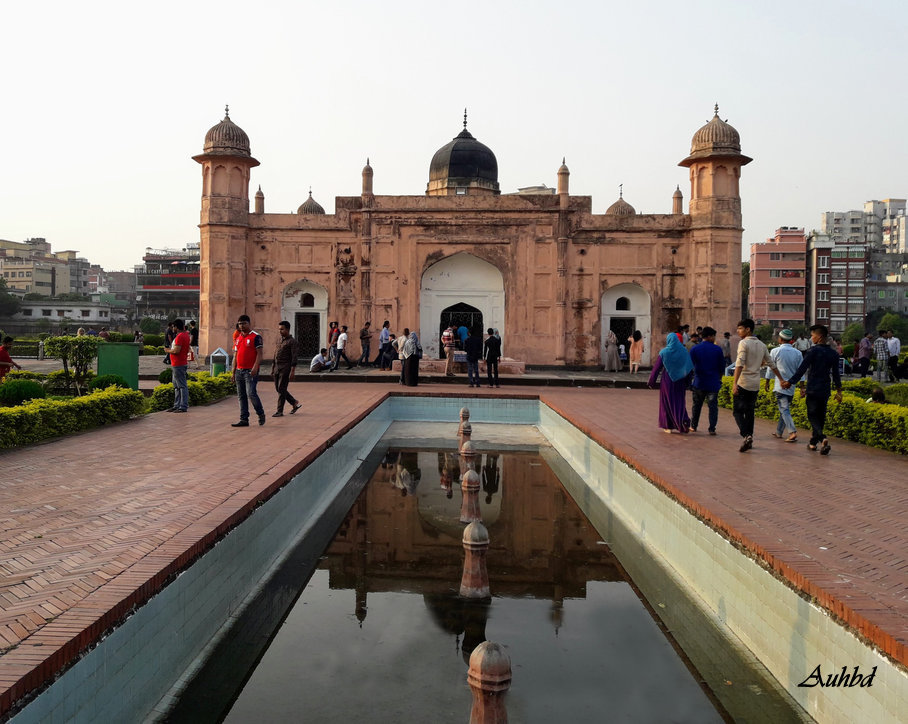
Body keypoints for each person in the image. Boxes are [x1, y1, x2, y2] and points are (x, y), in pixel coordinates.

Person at [786, 324, 843, 455]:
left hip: (813, 388)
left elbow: (802, 369)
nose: (811, 338)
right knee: (820, 416)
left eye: (813, 336)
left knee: (812, 415)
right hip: (825, 388)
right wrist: (839, 390)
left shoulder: (813, 351)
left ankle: (822, 438)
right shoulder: (833, 353)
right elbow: (836, 374)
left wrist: (790, 382)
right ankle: (813, 442)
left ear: (820, 336)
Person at [732, 318, 786, 453]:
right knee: (750, 412)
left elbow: (739, 363)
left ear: (748, 329)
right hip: (755, 384)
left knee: (737, 411)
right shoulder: (762, 345)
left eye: (740, 328)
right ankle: (749, 438)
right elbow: (771, 364)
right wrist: (781, 379)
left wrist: (734, 383)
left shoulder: (743, 343)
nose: (738, 331)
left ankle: (746, 435)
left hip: (743, 382)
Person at [647, 333, 693, 433]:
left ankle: (667, 426)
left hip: (667, 381)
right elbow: (689, 368)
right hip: (680, 381)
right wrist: (688, 382)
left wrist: (651, 382)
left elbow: (656, 369)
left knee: (666, 403)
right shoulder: (684, 351)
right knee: (680, 402)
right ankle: (683, 423)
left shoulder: (664, 352)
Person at [764, 328, 802, 443]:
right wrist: (803, 386)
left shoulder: (775, 351)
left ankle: (792, 432)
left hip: (780, 385)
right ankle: (779, 431)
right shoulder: (798, 353)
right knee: (784, 409)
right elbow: (801, 371)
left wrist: (767, 381)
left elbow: (771, 368)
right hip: (791, 386)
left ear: (780, 339)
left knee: (784, 409)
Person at [688, 327, 725, 435]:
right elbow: (722, 367)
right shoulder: (717, 349)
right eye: (714, 336)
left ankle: (693, 426)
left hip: (699, 382)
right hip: (713, 383)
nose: (714, 338)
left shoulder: (695, 349)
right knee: (713, 407)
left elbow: (690, 366)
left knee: (696, 406)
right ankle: (712, 428)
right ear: (709, 336)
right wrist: (719, 378)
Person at [230, 314, 265, 427]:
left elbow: (260, 354)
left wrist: (255, 367)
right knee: (241, 395)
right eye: (240, 324)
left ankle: (260, 413)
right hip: (239, 370)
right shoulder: (238, 338)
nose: (242, 326)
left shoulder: (256, 337)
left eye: (244, 323)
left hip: (250, 370)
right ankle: (244, 419)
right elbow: (235, 356)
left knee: (251, 393)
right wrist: (233, 371)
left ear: (249, 324)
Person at [271, 320, 301, 417]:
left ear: (287, 329)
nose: (280, 331)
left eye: (282, 329)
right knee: (278, 388)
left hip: (285, 367)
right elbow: (275, 353)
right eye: (279, 329)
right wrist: (272, 367)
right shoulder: (279, 340)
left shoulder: (292, 342)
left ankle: (280, 411)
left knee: (281, 388)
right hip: (277, 367)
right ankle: (294, 402)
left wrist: (292, 371)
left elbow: (294, 357)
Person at [167, 319, 191, 413]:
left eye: (173, 327)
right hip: (178, 363)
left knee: (181, 386)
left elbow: (176, 351)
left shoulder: (180, 336)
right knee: (177, 386)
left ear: (176, 327)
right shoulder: (185, 335)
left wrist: (167, 350)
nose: (173, 328)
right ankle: (177, 405)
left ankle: (183, 406)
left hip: (178, 363)